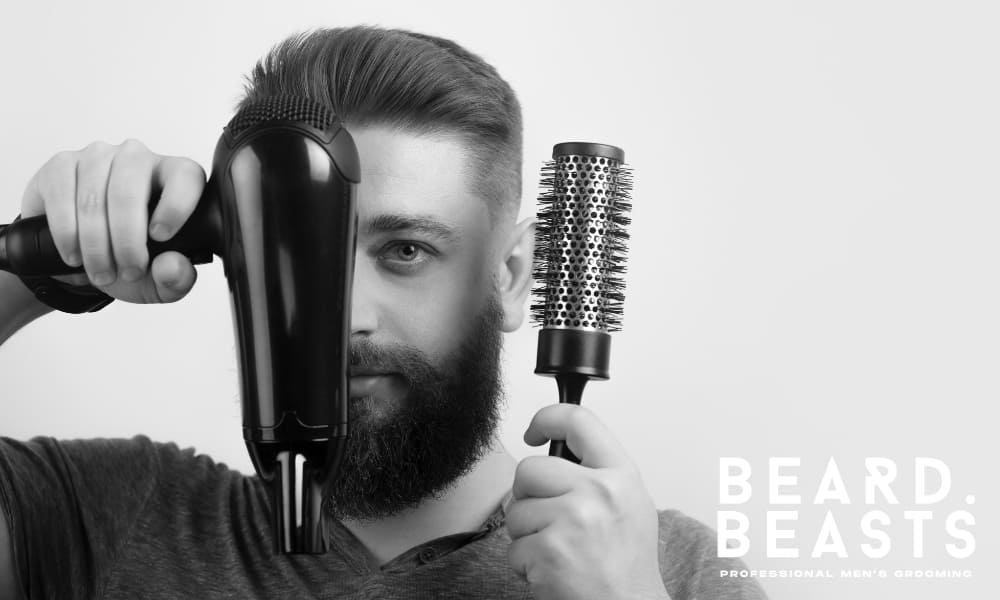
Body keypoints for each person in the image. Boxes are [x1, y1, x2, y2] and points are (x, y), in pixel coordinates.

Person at [0, 26, 767, 600]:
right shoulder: (105, 518)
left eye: (404, 251)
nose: (350, 317)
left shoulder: (674, 574)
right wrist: (42, 272)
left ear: (510, 277)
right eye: (302, 257)